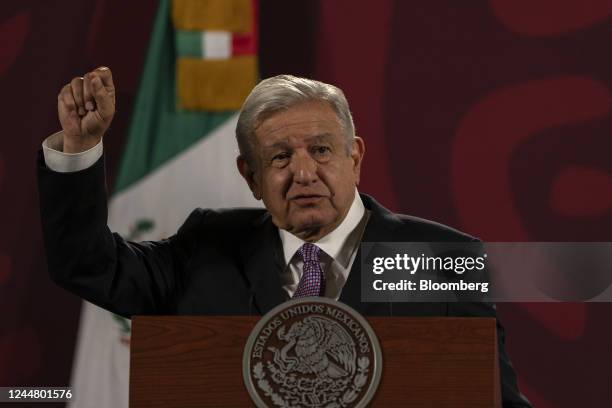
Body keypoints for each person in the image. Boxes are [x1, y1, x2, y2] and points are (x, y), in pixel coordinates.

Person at [37, 67, 531, 407]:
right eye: (278, 158)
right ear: (249, 175)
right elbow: (87, 263)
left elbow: (493, 397)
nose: (303, 174)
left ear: (354, 156)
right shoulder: (207, 246)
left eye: (320, 150)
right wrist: (80, 149)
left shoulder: (439, 259)